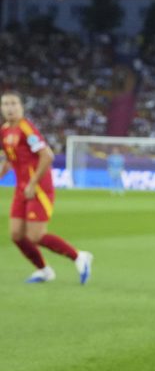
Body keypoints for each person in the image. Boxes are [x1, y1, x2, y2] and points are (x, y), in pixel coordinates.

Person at [1, 90, 92, 284]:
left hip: (38, 187)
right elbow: (9, 160)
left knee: (35, 236)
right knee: (17, 234)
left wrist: (33, 183)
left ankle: (78, 256)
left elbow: (47, 156)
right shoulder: (4, 131)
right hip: (22, 188)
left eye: (13, 104)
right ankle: (44, 270)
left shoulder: (27, 128)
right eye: (6, 104)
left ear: (21, 107)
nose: (9, 108)